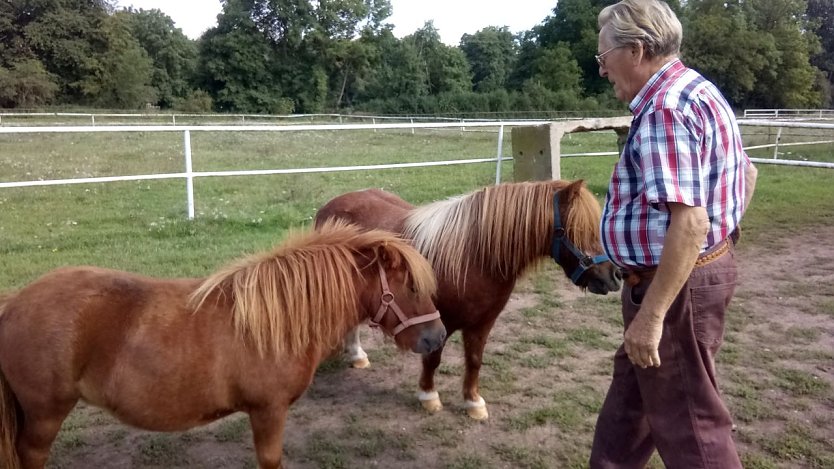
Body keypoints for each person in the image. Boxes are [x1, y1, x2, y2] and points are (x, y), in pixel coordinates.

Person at [590, 1, 758, 468]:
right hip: (685, 278)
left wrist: (654, 314)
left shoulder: (664, 109)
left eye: (603, 58)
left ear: (637, 49)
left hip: (670, 289)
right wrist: (717, 249)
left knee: (693, 432)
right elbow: (747, 176)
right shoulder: (699, 90)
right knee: (626, 418)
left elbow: (689, 222)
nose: (602, 71)